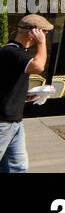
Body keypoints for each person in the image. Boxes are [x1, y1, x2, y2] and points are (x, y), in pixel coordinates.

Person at [1, 14, 51, 173]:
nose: (45, 36)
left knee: (17, 168)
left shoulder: (16, 54)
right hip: (3, 122)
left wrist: (25, 95)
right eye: (44, 32)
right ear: (34, 32)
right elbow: (38, 67)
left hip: (14, 122)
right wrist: (42, 43)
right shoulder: (12, 52)